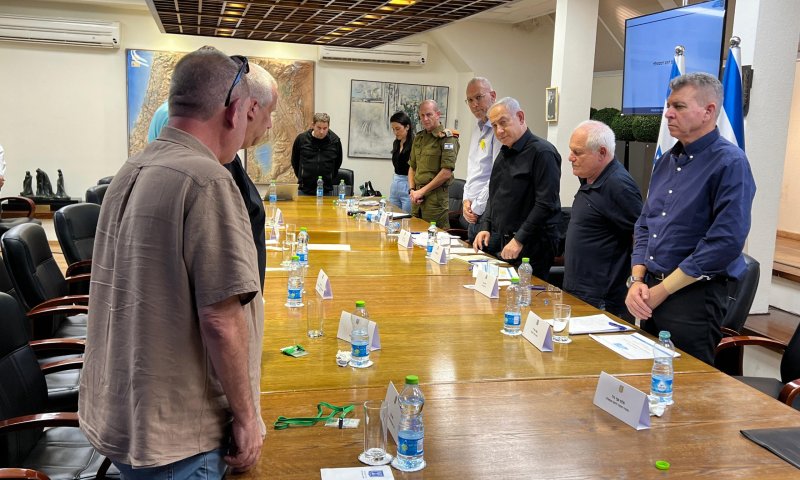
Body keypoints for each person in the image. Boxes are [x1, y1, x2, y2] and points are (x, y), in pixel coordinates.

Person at [79, 47, 264, 478]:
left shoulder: (133, 167)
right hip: (182, 439)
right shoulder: (207, 180)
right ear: (234, 111)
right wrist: (247, 417)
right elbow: (220, 320)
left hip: (130, 414)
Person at [625, 72, 756, 365]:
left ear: (708, 111)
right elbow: (645, 223)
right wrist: (637, 279)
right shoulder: (666, 160)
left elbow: (725, 241)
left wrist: (662, 290)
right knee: (646, 375)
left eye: (679, 106)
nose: (668, 114)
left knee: (683, 384)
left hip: (693, 299)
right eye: (668, 105)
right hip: (649, 290)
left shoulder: (730, 163)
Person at [146, 64, 277, 290]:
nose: (270, 124)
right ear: (247, 108)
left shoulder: (217, 160)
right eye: (270, 113)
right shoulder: (206, 177)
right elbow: (218, 281)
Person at [563, 120, 642, 317]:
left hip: (602, 300)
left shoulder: (619, 185)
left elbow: (640, 235)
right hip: (579, 291)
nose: (570, 157)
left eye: (577, 152)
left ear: (602, 152)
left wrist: (636, 280)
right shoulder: (589, 176)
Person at [474, 97, 561, 276]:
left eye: (503, 123)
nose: (499, 130)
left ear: (520, 117)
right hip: (506, 240)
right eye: (494, 125)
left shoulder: (543, 152)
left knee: (525, 292)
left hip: (533, 243)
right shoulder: (505, 152)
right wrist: (485, 226)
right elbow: (494, 194)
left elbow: (546, 203)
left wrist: (519, 239)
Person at [408, 99, 459, 228]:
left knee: (435, 235)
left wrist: (422, 191)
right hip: (417, 198)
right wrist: (412, 190)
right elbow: (412, 167)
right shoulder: (419, 138)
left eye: (429, 114)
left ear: (438, 114)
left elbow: (446, 172)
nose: (425, 119)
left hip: (435, 200)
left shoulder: (447, 138)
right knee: (414, 233)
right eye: (422, 115)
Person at [462, 77, 501, 243]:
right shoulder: (477, 128)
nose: (474, 104)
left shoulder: (499, 131)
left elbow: (496, 176)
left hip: (487, 212)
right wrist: (465, 200)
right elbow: (472, 170)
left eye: (478, 97)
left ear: (493, 96)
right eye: (470, 100)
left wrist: (476, 207)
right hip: (472, 211)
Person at [291, 112, 343, 195]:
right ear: (313, 125)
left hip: (326, 190)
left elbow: (337, 164)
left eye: (325, 128)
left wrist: (329, 177)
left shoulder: (335, 141)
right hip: (304, 189)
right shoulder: (302, 139)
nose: (322, 131)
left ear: (328, 126)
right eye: (319, 128)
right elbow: (295, 161)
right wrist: (302, 177)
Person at [388, 111, 414, 213]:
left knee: (406, 218)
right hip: (395, 183)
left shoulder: (414, 144)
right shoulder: (396, 143)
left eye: (398, 129)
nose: (395, 132)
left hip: (408, 184)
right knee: (392, 215)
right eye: (393, 129)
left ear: (407, 127)